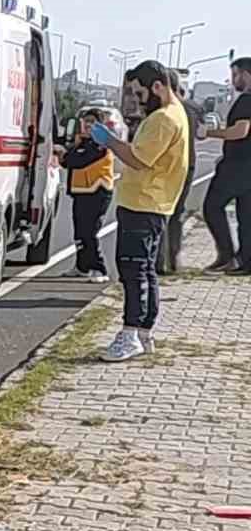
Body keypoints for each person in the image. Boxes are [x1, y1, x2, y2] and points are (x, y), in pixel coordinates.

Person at [92, 61, 190, 362]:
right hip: (153, 203)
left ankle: (130, 332)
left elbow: (139, 159)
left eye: (140, 92)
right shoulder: (176, 114)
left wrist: (109, 141)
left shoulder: (163, 119)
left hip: (144, 203)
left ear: (158, 87)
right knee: (145, 269)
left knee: (133, 271)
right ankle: (144, 332)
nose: (138, 99)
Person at [202, 56, 251, 274]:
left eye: (235, 75)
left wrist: (209, 132)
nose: (233, 80)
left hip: (237, 166)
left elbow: (240, 131)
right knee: (246, 216)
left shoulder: (246, 101)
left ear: (245, 74)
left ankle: (226, 255)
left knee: (212, 206)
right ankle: (245, 261)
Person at [60, 108, 116, 283]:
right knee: (79, 233)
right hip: (82, 191)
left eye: (92, 122)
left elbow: (77, 161)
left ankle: (100, 269)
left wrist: (66, 155)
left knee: (89, 232)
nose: (87, 126)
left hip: (98, 191)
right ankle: (82, 266)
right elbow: (70, 158)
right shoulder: (83, 142)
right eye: (85, 122)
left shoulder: (101, 143)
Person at [159, 69, 204, 275]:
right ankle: (173, 258)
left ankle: (158, 260)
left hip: (166, 166)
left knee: (159, 211)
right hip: (188, 164)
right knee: (177, 212)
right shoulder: (194, 107)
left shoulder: (165, 110)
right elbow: (201, 134)